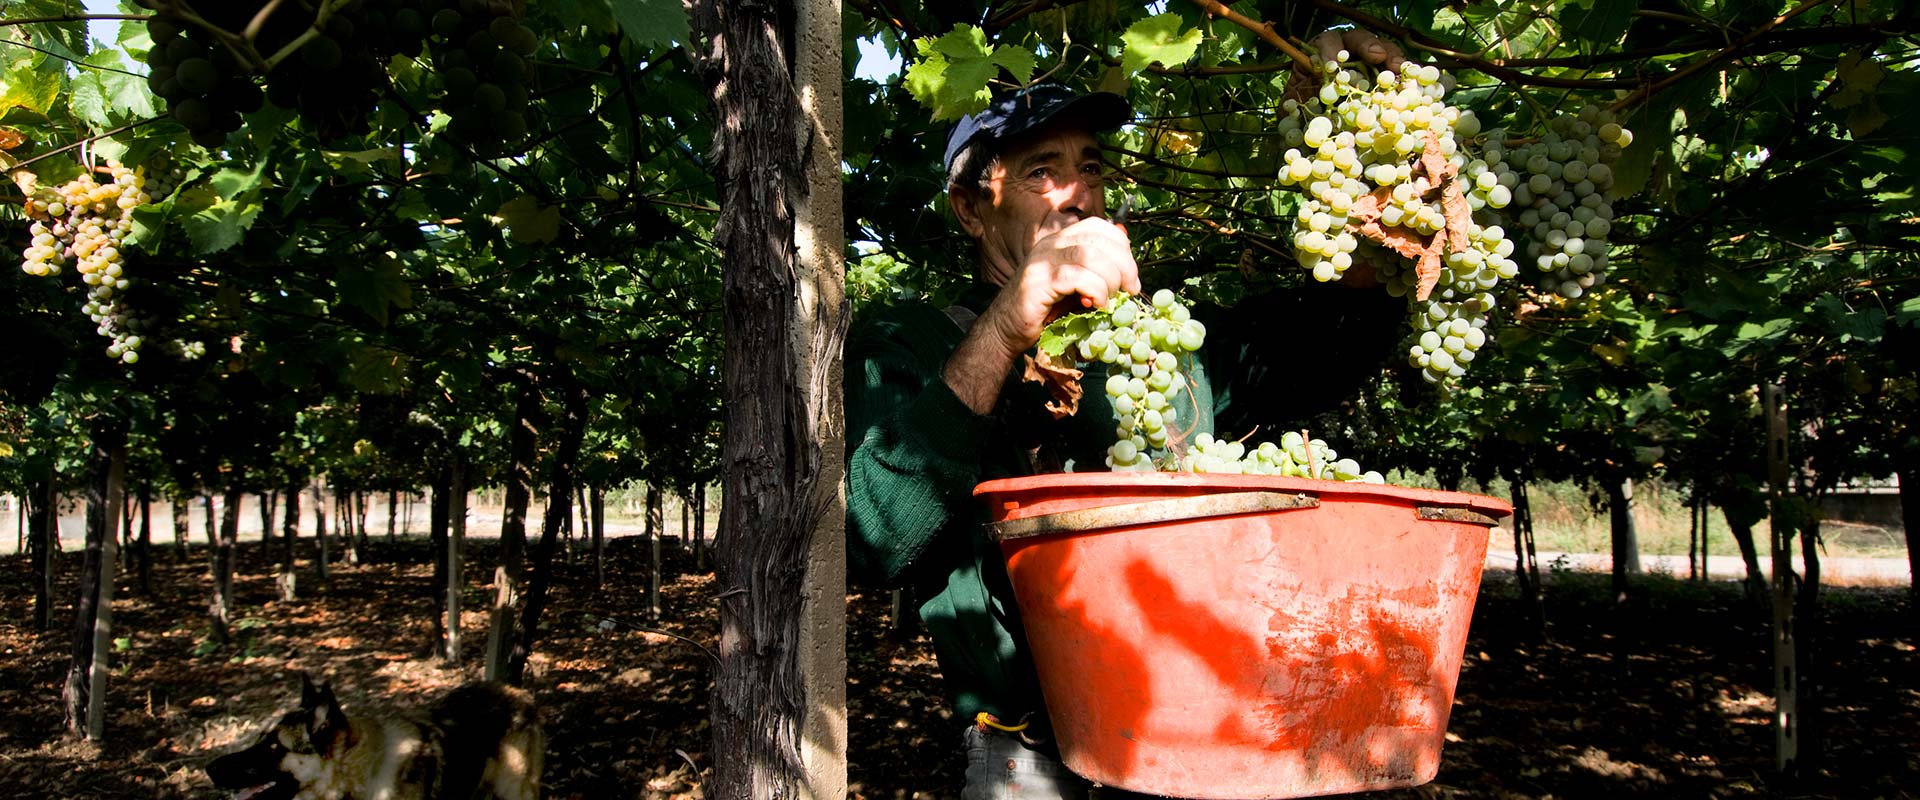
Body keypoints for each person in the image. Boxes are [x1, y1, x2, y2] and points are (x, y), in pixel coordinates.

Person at [846, 33, 1409, 800]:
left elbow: (1334, 334)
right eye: (1042, 171)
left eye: (1090, 168)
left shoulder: (1160, 345)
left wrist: (1366, 145)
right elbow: (878, 538)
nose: (1076, 192)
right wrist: (1012, 322)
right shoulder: (912, 341)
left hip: (1204, 726)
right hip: (1032, 759)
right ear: (971, 211)